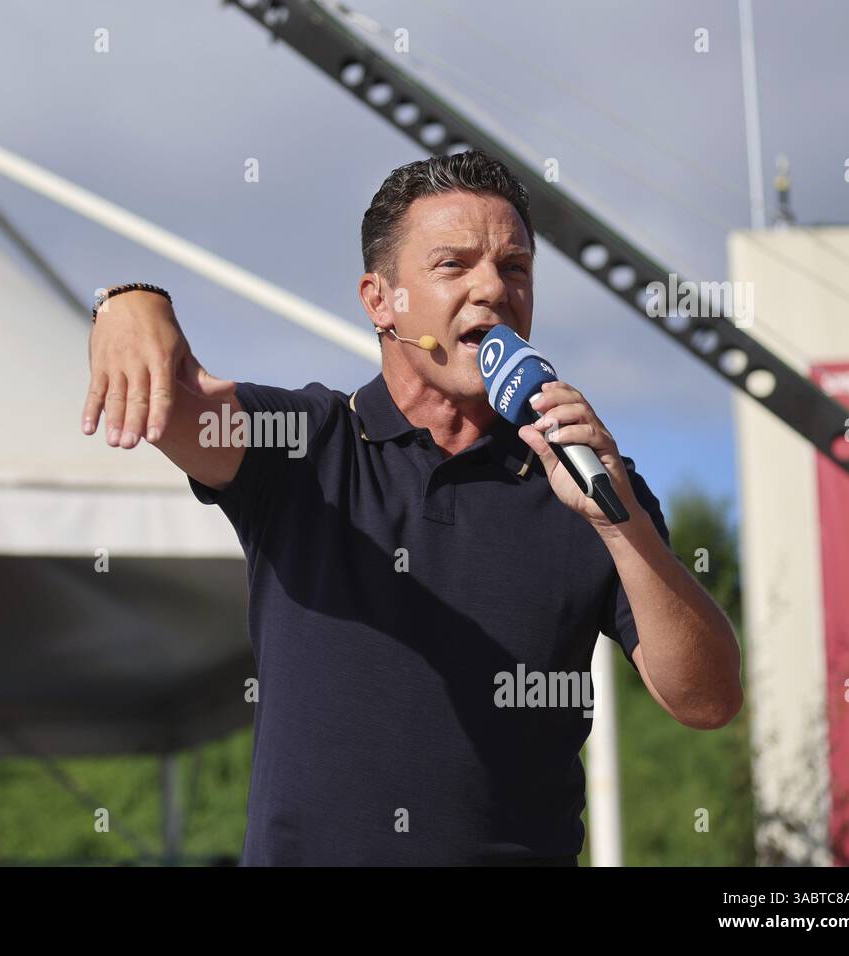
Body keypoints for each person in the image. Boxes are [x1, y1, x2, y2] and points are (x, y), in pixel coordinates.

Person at [81, 150, 743, 866]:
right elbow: (172, 403)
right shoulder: (305, 444)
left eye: (514, 267)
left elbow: (706, 700)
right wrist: (130, 302)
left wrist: (622, 528)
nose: (493, 288)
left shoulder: (590, 483)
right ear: (380, 300)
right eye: (454, 265)